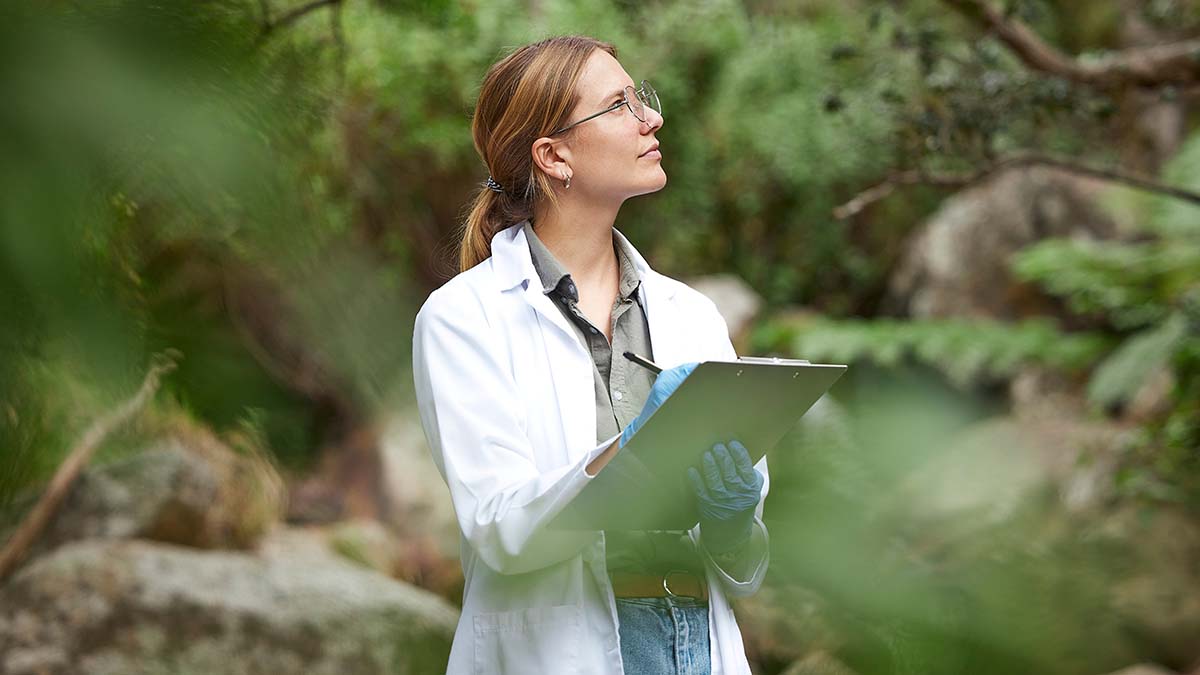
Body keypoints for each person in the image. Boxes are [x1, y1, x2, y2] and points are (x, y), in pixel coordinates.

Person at [412, 35, 769, 675]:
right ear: (554, 156)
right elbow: (499, 527)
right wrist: (629, 460)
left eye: (643, 99)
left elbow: (742, 568)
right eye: (620, 105)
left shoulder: (690, 315)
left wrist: (734, 524)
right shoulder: (464, 318)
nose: (651, 118)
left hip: (698, 644)